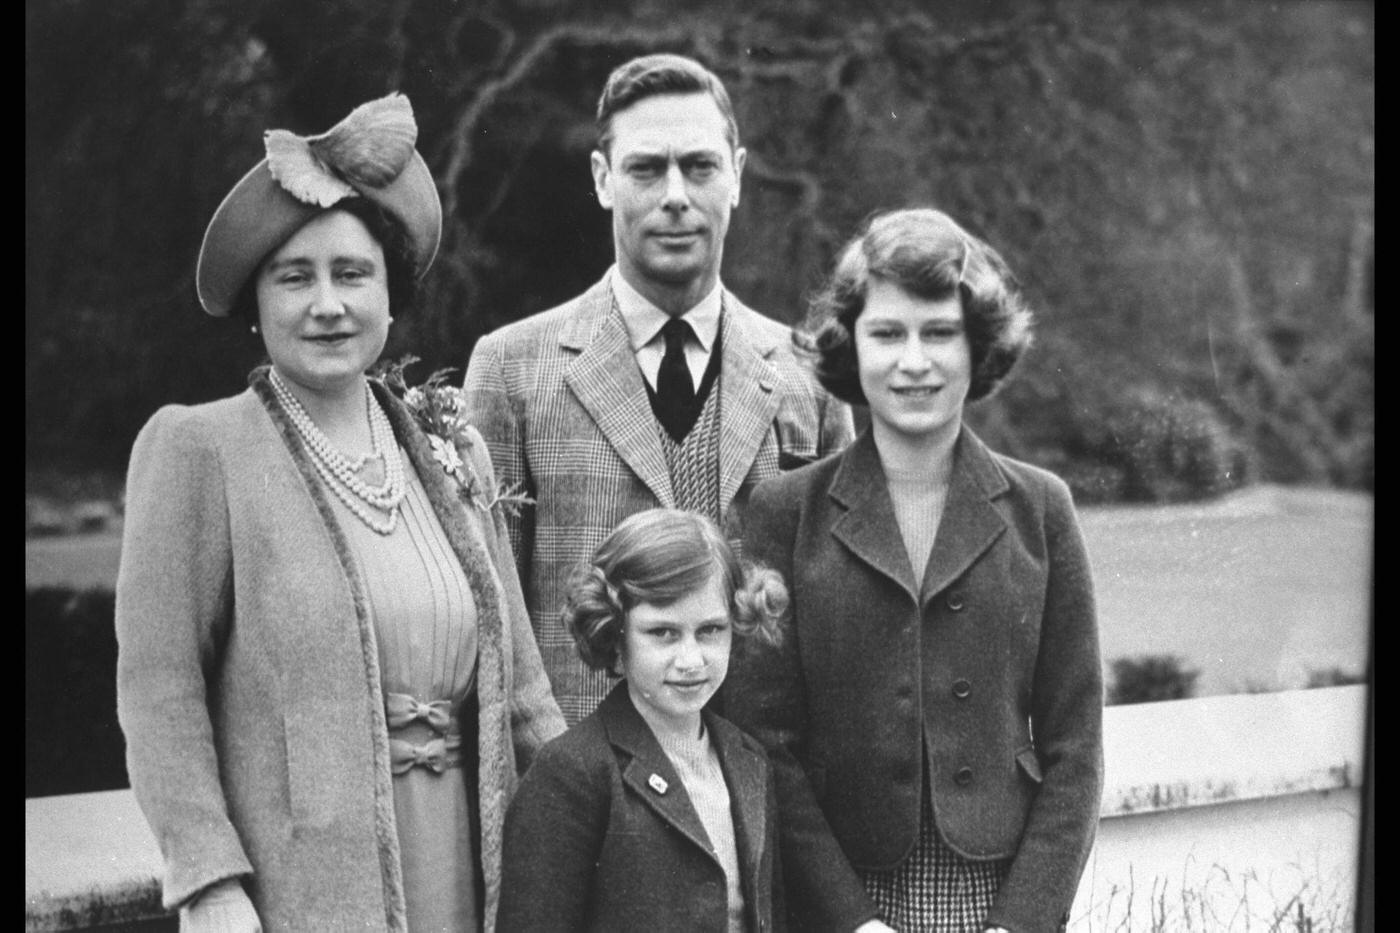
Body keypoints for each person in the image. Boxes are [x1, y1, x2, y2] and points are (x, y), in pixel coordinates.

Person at [115, 93, 565, 932]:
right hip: (307, 889)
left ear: (390, 298)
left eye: (352, 274)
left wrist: (600, 828)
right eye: (296, 277)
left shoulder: (450, 447)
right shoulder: (200, 451)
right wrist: (210, 881)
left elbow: (526, 690)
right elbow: (158, 690)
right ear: (257, 304)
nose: (328, 304)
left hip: (471, 868)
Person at [724, 208, 1104, 933]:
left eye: (939, 333)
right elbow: (765, 742)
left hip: (999, 900)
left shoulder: (1041, 509)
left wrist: (1019, 923)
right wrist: (854, 922)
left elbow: (1076, 745)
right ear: (851, 346)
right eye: (888, 333)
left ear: (977, 346)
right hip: (837, 901)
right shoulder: (784, 512)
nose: (914, 361)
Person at [462, 52, 855, 726]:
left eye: (699, 166)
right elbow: (489, 616)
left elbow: (841, 613)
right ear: (602, 179)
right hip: (584, 798)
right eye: (647, 168)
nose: (676, 194)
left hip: (762, 797)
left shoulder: (808, 375)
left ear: (736, 176)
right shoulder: (511, 369)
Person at [497, 508, 787, 931]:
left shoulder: (748, 760)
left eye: (710, 630)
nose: (691, 660)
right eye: (663, 633)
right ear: (615, 634)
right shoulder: (573, 773)